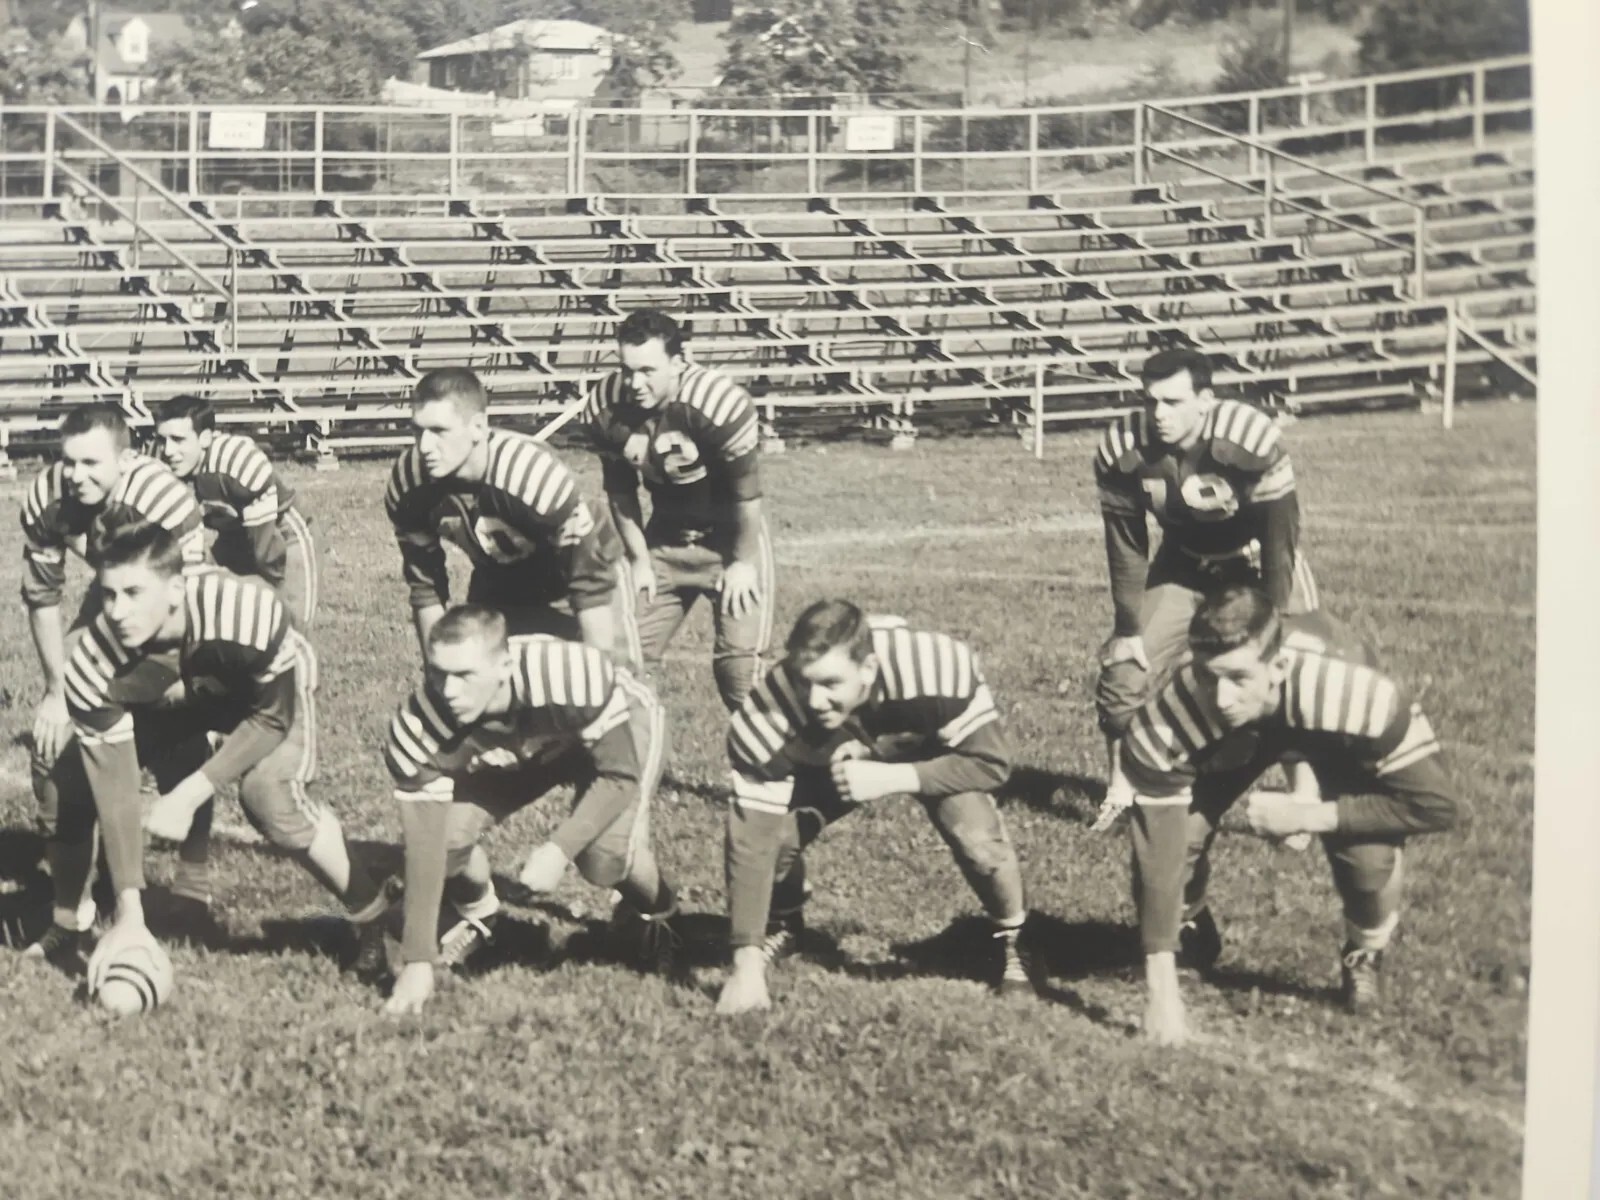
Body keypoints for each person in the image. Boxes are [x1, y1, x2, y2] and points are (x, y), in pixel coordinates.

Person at [50, 518, 388, 985]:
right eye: (108, 595)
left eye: (133, 593)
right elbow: (117, 785)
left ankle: (372, 915)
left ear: (175, 589)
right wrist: (132, 910)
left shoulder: (244, 611)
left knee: (270, 796)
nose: (117, 611)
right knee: (72, 778)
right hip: (177, 691)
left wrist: (189, 794)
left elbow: (271, 718)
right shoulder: (93, 662)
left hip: (258, 694)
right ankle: (70, 920)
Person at [1118, 586, 1460, 1046]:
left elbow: (1437, 806)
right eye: (1207, 675)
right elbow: (1158, 853)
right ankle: (1192, 924)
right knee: (1184, 838)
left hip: (1326, 728)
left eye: (1237, 677)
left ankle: (1365, 952)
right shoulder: (1172, 717)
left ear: (1277, 667)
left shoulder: (1357, 692)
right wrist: (1162, 994)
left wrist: (1308, 814)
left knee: (1368, 864)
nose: (1220, 697)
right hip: (1248, 731)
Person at [717, 599, 1029, 1015]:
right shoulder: (768, 715)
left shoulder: (934, 667)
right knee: (776, 839)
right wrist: (745, 965)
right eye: (803, 680)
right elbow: (750, 841)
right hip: (835, 757)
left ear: (867, 669)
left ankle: (1012, 940)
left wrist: (894, 777)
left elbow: (992, 762)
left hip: (929, 749)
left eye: (830, 683)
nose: (813, 699)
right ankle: (784, 923)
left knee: (979, 842)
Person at [380, 605, 680, 1016]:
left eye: (464, 675)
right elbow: (425, 844)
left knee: (603, 858)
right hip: (525, 751)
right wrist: (417, 961)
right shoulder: (419, 728)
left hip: (609, 729)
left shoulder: (570, 676)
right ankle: (481, 915)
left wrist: (559, 850)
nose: (448, 691)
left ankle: (661, 913)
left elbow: (617, 777)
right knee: (447, 840)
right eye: (438, 673)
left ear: (503, 666)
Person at [1092, 348, 1321, 827]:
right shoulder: (1123, 446)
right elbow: (1127, 545)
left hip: (1257, 563)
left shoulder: (1249, 437)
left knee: (1291, 669)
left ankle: (1304, 797)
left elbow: (1281, 537)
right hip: (1184, 565)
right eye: (1151, 401)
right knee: (1124, 672)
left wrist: (1276, 619)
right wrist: (1127, 626)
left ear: (1206, 400)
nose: (1159, 414)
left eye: (1173, 402)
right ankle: (1121, 789)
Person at [19, 404, 208, 956]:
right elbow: (42, 597)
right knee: (54, 754)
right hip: (108, 608)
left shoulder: (164, 497)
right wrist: (58, 691)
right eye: (68, 461)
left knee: (175, 734)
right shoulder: (49, 497)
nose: (77, 476)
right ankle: (71, 914)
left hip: (172, 618)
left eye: (92, 463)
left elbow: (185, 604)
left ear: (126, 459)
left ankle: (191, 883)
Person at [582, 309, 774, 710]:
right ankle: (625, 764)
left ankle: (776, 767)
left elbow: (746, 495)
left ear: (679, 363)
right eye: (627, 369)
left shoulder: (716, 403)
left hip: (729, 539)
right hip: (664, 539)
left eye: (648, 370)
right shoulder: (607, 406)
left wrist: (742, 562)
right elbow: (620, 493)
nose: (635, 383)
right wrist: (638, 560)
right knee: (623, 660)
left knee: (738, 670)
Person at [385, 368, 638, 665]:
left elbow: (589, 580)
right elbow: (426, 589)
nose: (425, 446)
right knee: (482, 682)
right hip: (499, 576)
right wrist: (438, 671)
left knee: (609, 686)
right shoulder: (410, 484)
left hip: (580, 569)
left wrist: (602, 669)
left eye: (440, 431)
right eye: (418, 431)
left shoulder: (529, 476)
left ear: (478, 427)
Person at [152, 394, 318, 628]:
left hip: (281, 530)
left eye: (179, 439)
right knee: (206, 605)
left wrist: (267, 590)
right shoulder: (164, 461)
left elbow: (267, 550)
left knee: (290, 625)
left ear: (205, 438)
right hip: (236, 532)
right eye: (162, 439)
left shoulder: (236, 464)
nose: (168, 450)